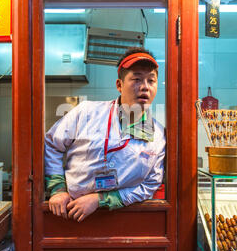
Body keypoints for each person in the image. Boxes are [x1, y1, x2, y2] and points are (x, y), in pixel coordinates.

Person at [44, 47, 166, 222]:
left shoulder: (158, 135)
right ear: (119, 85)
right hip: (70, 213)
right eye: (137, 79)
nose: (145, 87)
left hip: (122, 218)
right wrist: (58, 189)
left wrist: (100, 200)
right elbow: (52, 144)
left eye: (151, 81)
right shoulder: (87, 112)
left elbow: (150, 184)